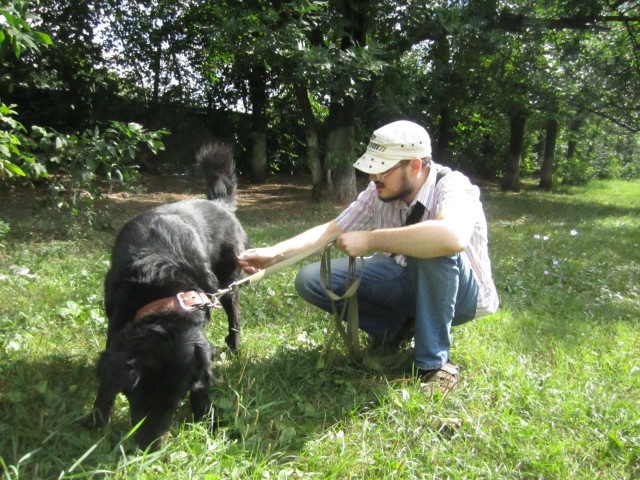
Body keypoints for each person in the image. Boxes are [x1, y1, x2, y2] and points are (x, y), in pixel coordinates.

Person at [238, 120, 499, 386]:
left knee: (431, 243)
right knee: (311, 279)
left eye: (382, 170)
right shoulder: (378, 191)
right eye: (371, 169)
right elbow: (330, 230)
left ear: (415, 165)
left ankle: (433, 366)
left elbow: (451, 237)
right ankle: (397, 330)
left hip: (461, 296)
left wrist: (372, 240)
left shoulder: (453, 185)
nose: (374, 178)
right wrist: (274, 253)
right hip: (405, 278)